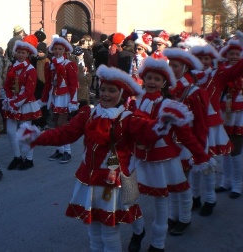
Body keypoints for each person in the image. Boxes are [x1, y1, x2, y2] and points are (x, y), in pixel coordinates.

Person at [21, 65, 187, 252]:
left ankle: (139, 232)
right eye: (103, 89)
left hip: (118, 179)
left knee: (116, 225)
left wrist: (164, 121)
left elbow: (148, 132)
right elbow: (66, 133)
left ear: (122, 93)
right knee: (94, 228)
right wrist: (38, 137)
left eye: (112, 90)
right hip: (90, 180)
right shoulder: (88, 113)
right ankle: (137, 232)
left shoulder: (128, 118)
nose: (106, 94)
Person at [129, 57, 212, 251]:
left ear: (164, 83)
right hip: (138, 158)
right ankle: (138, 231)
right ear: (143, 79)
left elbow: (186, 134)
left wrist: (200, 154)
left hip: (163, 160)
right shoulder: (134, 103)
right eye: (149, 77)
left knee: (162, 203)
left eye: (157, 79)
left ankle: (158, 243)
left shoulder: (169, 106)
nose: (152, 82)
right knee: (128, 196)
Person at [163, 48, 214, 217]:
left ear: (185, 68)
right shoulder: (170, 89)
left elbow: (201, 121)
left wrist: (200, 144)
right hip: (176, 139)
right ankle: (190, 202)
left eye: (175, 65)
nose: (171, 68)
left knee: (202, 167)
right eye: (170, 65)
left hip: (195, 136)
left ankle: (210, 199)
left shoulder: (194, 91)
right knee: (180, 174)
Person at [3, 36, 42, 170]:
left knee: (26, 132)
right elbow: (7, 85)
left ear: (27, 54)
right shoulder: (12, 67)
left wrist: (17, 102)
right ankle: (17, 156)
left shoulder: (30, 69)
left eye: (23, 53)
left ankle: (29, 159)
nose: (20, 55)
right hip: (12, 103)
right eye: (18, 52)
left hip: (25, 104)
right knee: (10, 131)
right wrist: (9, 99)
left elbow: (29, 90)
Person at [40, 37, 78, 164]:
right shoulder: (50, 65)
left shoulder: (69, 64)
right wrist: (45, 98)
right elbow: (48, 84)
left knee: (62, 124)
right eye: (55, 49)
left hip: (65, 97)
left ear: (65, 50)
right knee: (56, 124)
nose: (57, 51)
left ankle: (67, 151)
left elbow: (73, 84)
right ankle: (60, 149)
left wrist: (73, 100)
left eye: (60, 49)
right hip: (55, 96)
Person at [218, 36, 243, 199]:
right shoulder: (222, 70)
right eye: (231, 53)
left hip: (239, 113)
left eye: (236, 54)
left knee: (236, 149)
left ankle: (238, 185)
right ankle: (226, 181)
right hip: (225, 112)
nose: (233, 56)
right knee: (225, 149)